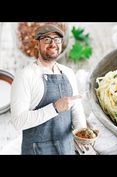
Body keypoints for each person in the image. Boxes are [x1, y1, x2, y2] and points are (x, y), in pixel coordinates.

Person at [10, 24, 87, 155]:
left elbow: (76, 109)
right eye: (47, 39)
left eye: (57, 39)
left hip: (66, 148)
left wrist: (83, 133)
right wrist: (55, 108)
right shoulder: (25, 76)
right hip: (37, 151)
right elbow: (18, 121)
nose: (53, 44)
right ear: (37, 44)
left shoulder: (68, 73)